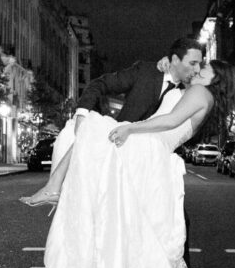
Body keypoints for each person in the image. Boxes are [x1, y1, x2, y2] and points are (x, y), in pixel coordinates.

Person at [43, 60, 235, 268]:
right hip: (152, 158)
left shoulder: (199, 94)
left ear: (216, 79)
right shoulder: (203, 97)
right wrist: (166, 64)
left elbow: (170, 121)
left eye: (204, 69)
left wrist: (130, 130)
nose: (197, 70)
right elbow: (172, 88)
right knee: (133, 232)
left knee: (107, 213)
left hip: (144, 152)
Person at [20, 37, 204, 208]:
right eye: (193, 63)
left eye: (200, 64)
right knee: (91, 125)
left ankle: (54, 186)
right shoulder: (145, 71)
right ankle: (53, 187)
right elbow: (100, 84)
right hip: (122, 143)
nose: (197, 69)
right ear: (174, 60)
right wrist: (82, 113)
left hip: (152, 159)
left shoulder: (192, 90)